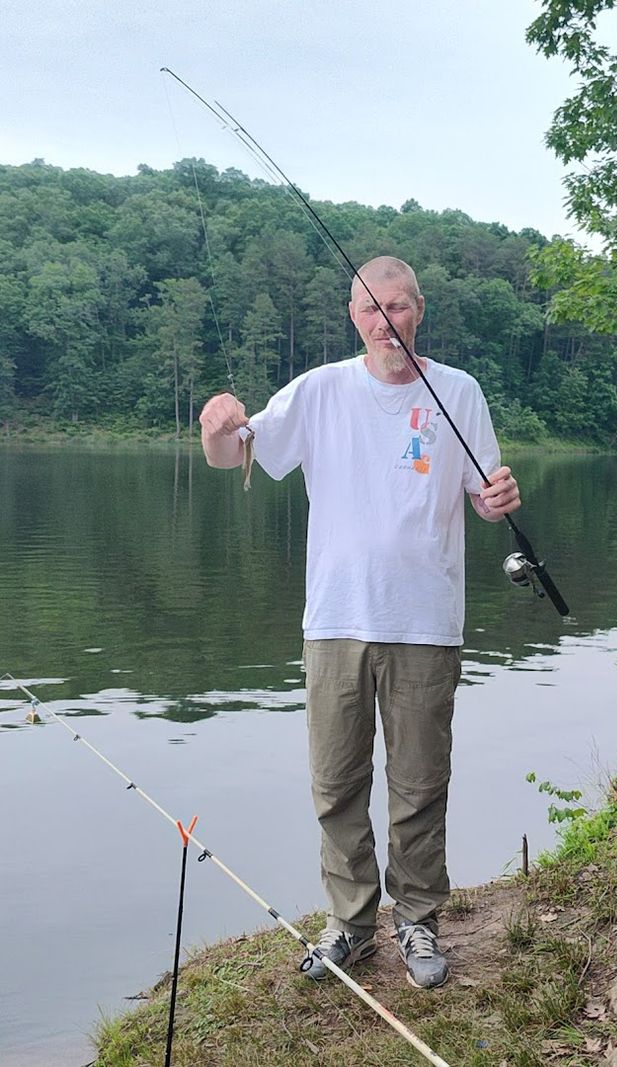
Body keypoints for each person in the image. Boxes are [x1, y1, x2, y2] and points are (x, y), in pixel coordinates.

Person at [199, 256, 521, 989]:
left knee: (418, 783)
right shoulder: (319, 392)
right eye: (372, 309)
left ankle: (417, 922)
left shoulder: (459, 393)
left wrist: (499, 496)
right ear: (354, 316)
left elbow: (486, 492)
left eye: (399, 307)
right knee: (336, 781)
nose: (386, 323)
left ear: (419, 311)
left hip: (427, 620)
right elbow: (232, 454)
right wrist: (216, 424)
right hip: (336, 620)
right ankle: (351, 924)